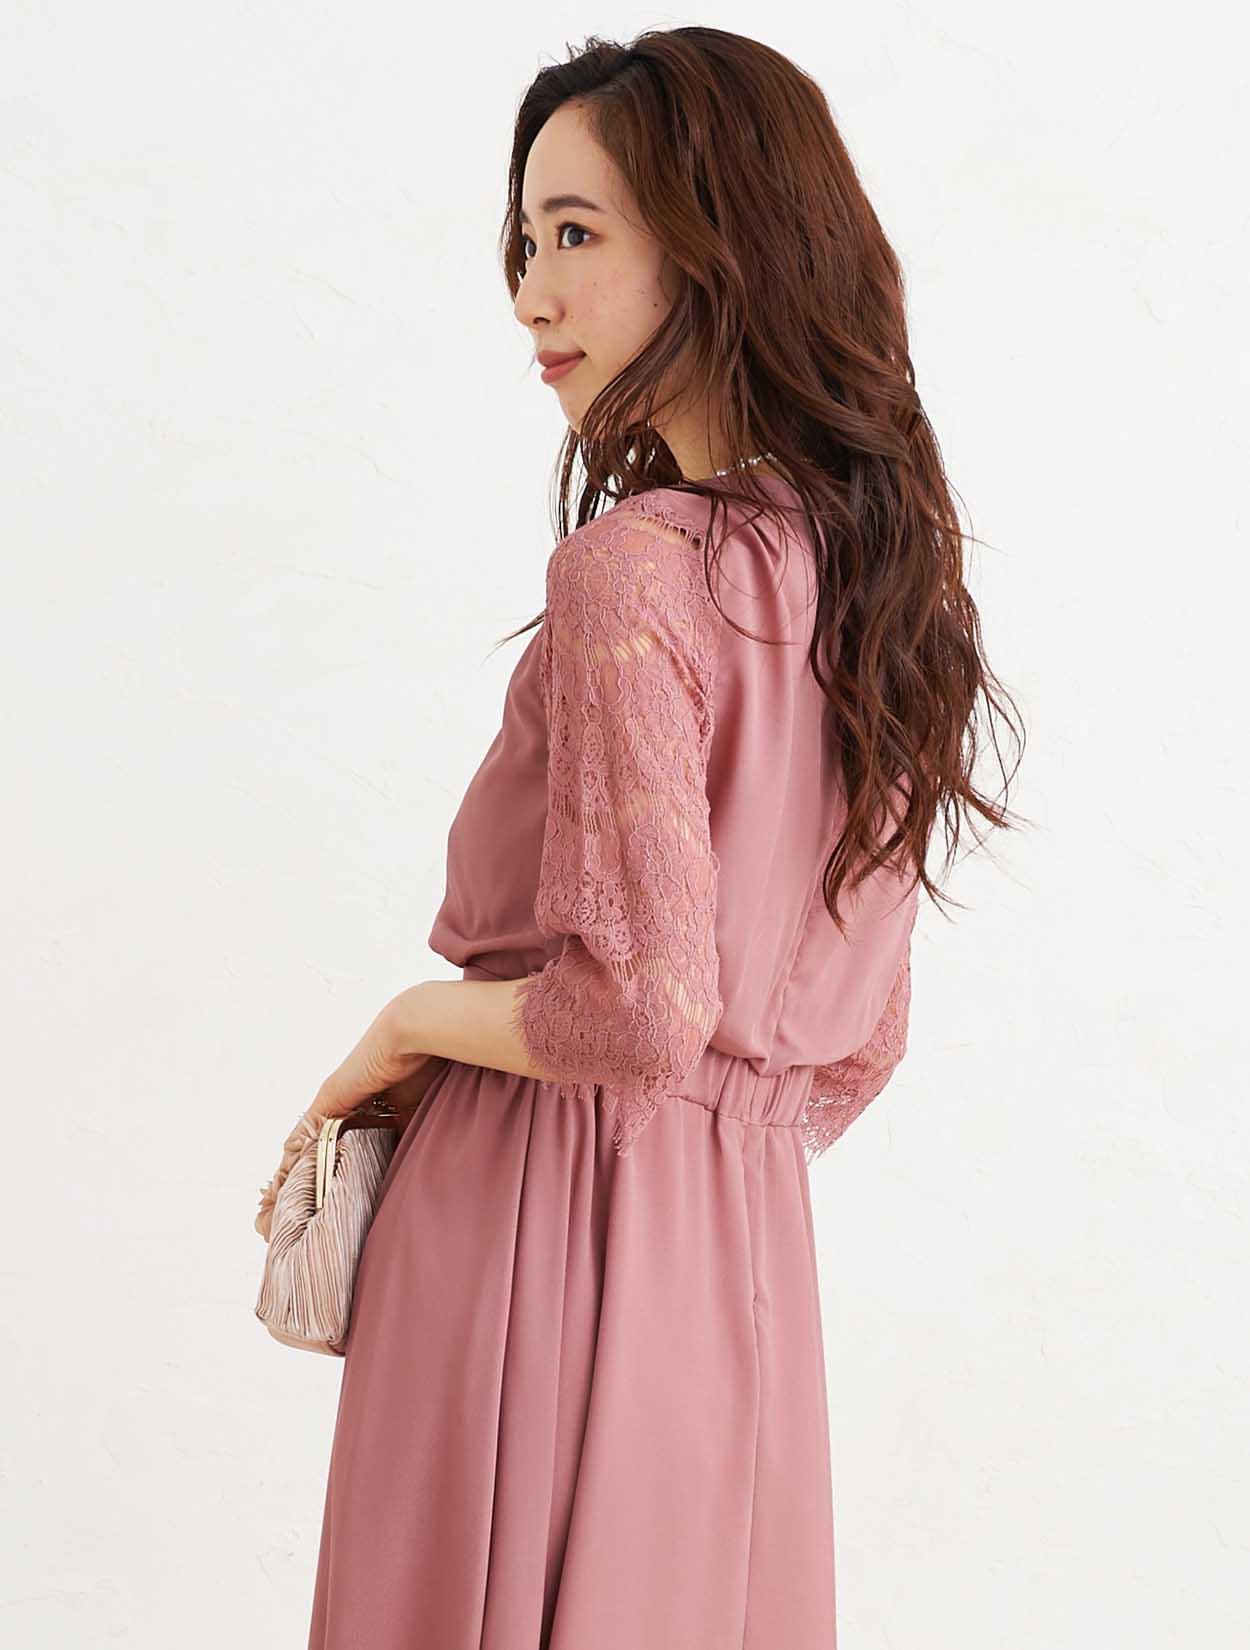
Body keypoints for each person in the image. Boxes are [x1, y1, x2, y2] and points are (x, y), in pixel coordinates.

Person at [301, 26, 1024, 1649]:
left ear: (719, 243)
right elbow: (858, 1045)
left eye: (575, 233)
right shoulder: (885, 593)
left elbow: (637, 1009)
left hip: (533, 1213)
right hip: (741, 1262)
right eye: (523, 240)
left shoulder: (632, 571)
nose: (530, 293)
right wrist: (711, 1147)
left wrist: (405, 1025)